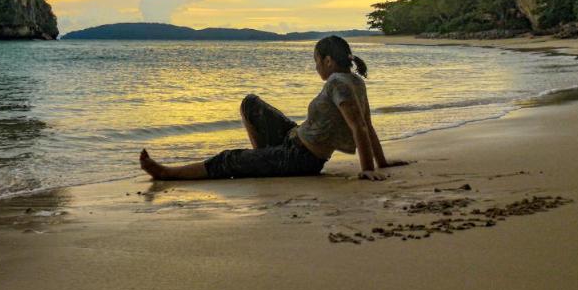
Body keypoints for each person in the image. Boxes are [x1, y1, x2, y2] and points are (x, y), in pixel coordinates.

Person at [138, 35, 406, 182]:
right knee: (251, 103)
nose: (315, 67)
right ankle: (264, 159)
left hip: (300, 158)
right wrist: (381, 162)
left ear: (327, 60)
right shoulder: (355, 81)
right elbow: (367, 125)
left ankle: (166, 173)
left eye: (316, 61)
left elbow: (359, 126)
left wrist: (368, 168)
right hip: (294, 139)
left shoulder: (338, 82)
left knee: (228, 159)